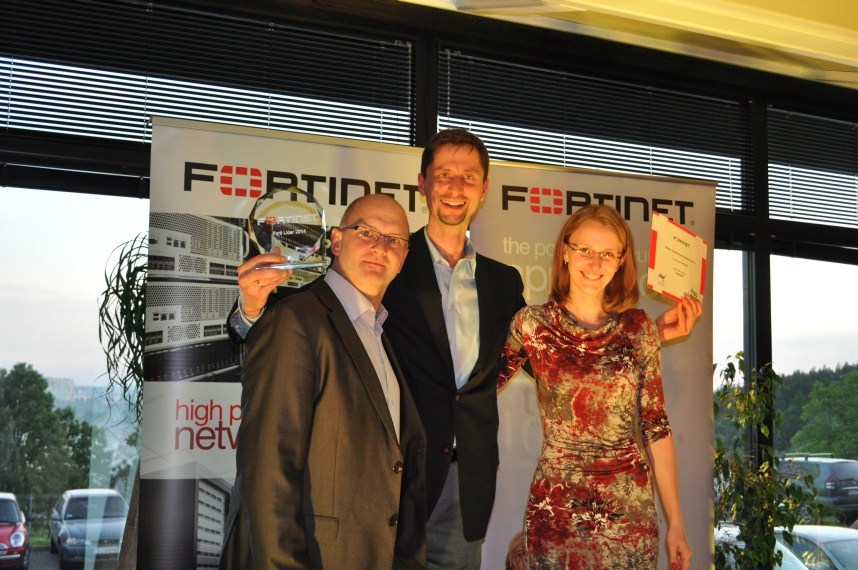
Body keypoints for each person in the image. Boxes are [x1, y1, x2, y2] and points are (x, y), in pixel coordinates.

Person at [228, 129, 701, 569]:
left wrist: (642, 339)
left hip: (467, 484)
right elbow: (309, 316)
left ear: (483, 189)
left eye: (469, 177)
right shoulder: (386, 258)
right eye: (445, 175)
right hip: (389, 476)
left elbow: (557, 360)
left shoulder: (503, 282)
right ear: (423, 184)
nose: (456, 187)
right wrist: (250, 310)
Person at [219, 193, 427, 569]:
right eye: (367, 232)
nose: (381, 247)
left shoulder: (382, 332)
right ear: (337, 241)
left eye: (394, 239)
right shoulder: (294, 320)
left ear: (404, 258)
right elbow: (267, 472)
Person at [497, 204, 692, 570]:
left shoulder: (639, 328)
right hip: (556, 511)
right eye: (584, 249)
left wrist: (677, 523)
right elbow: (475, 388)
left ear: (621, 262)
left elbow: (656, 427)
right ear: (565, 252)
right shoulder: (531, 325)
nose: (595, 262)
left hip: (629, 515)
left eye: (607, 254)